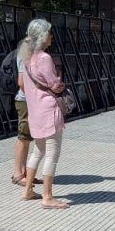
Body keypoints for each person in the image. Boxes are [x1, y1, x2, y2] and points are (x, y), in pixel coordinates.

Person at [20, 19, 68, 210]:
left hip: (34, 110)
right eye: (49, 33)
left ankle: (28, 190)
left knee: (37, 151)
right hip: (48, 110)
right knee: (52, 154)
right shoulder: (44, 58)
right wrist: (59, 83)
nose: (51, 36)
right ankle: (47, 196)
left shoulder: (26, 57)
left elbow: (23, 84)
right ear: (42, 37)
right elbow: (55, 84)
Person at [10, 32, 41, 188]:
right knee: (23, 137)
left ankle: (24, 172)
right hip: (25, 100)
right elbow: (22, 82)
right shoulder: (27, 51)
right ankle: (17, 174)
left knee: (27, 137)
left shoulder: (31, 51)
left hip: (28, 100)